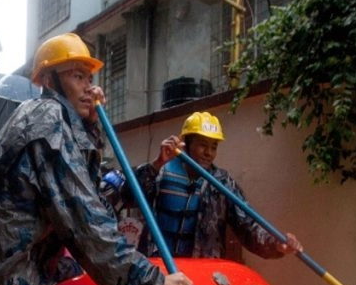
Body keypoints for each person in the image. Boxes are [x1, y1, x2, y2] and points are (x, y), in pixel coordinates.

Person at [0, 32, 196, 285]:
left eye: (89, 79)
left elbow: (94, 194)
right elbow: (83, 214)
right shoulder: (46, 118)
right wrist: (148, 282)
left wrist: (91, 126)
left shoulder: (58, 121)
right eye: (77, 77)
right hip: (3, 278)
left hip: (11, 269)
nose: (89, 89)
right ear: (48, 80)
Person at [102, 111, 302, 260]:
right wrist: (156, 165)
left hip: (203, 271)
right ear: (186, 144)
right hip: (157, 269)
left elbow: (248, 225)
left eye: (213, 147)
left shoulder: (222, 183)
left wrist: (275, 243)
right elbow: (124, 197)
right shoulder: (160, 172)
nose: (209, 153)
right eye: (202, 145)